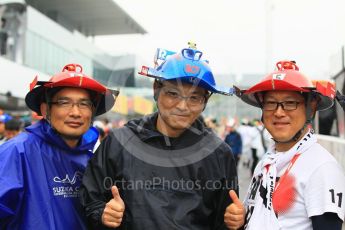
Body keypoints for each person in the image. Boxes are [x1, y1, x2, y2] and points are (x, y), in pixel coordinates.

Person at [80, 45, 244, 229]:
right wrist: (103, 214)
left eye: (194, 97)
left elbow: (225, 216)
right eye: (173, 94)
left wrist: (234, 222)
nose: (182, 106)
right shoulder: (119, 142)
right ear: (156, 90)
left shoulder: (218, 154)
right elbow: (91, 199)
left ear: (205, 101)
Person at [225, 60, 345, 229]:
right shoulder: (267, 162)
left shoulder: (322, 168)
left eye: (290, 103)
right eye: (270, 103)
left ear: (311, 107)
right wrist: (241, 218)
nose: (279, 112)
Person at [0, 63, 118, 229]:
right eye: (64, 102)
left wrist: (106, 215)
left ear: (92, 111)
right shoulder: (16, 153)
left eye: (84, 104)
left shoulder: (94, 159)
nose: (76, 112)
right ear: (45, 109)